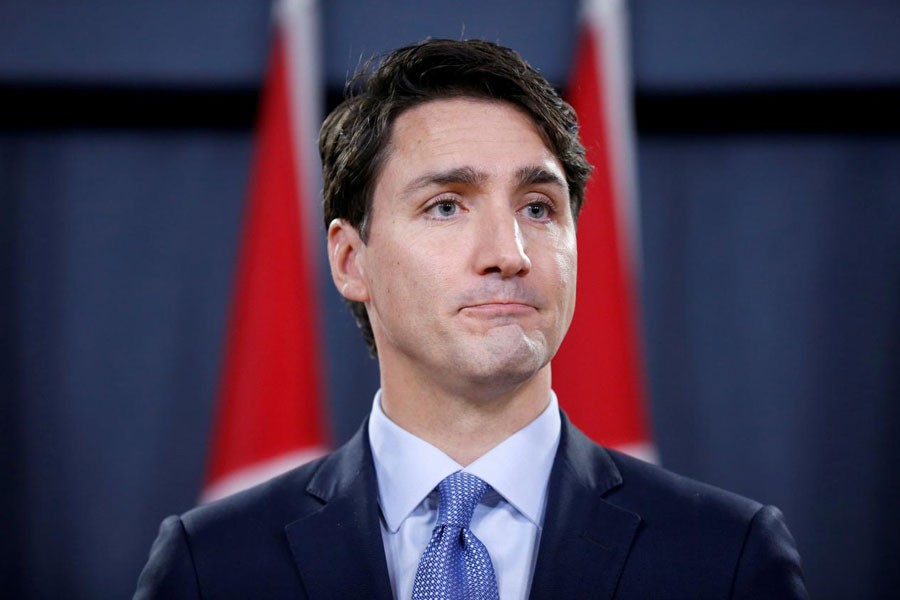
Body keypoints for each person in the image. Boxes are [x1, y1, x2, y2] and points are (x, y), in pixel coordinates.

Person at [135, 39, 807, 599]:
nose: (509, 255)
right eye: (447, 206)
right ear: (350, 259)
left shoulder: (727, 559)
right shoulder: (210, 566)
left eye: (538, 207)